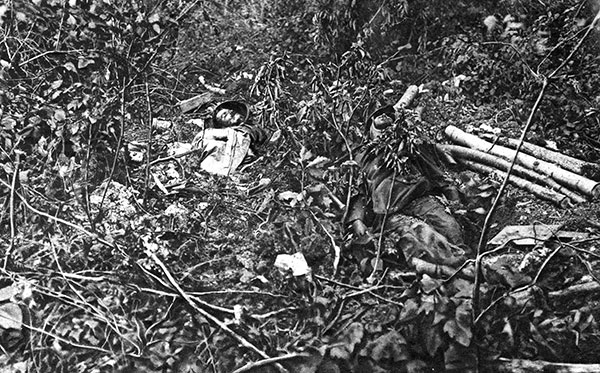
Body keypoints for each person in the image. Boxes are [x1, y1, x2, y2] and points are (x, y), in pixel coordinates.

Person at [346, 108, 468, 269]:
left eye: (389, 114)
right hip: (389, 212)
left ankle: (469, 261)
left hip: (421, 200)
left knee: (450, 227)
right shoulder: (362, 158)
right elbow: (358, 192)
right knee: (423, 235)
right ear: (370, 128)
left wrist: (455, 203)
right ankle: (455, 269)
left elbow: (437, 175)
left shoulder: (409, 145)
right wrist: (357, 220)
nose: (383, 115)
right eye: (377, 115)